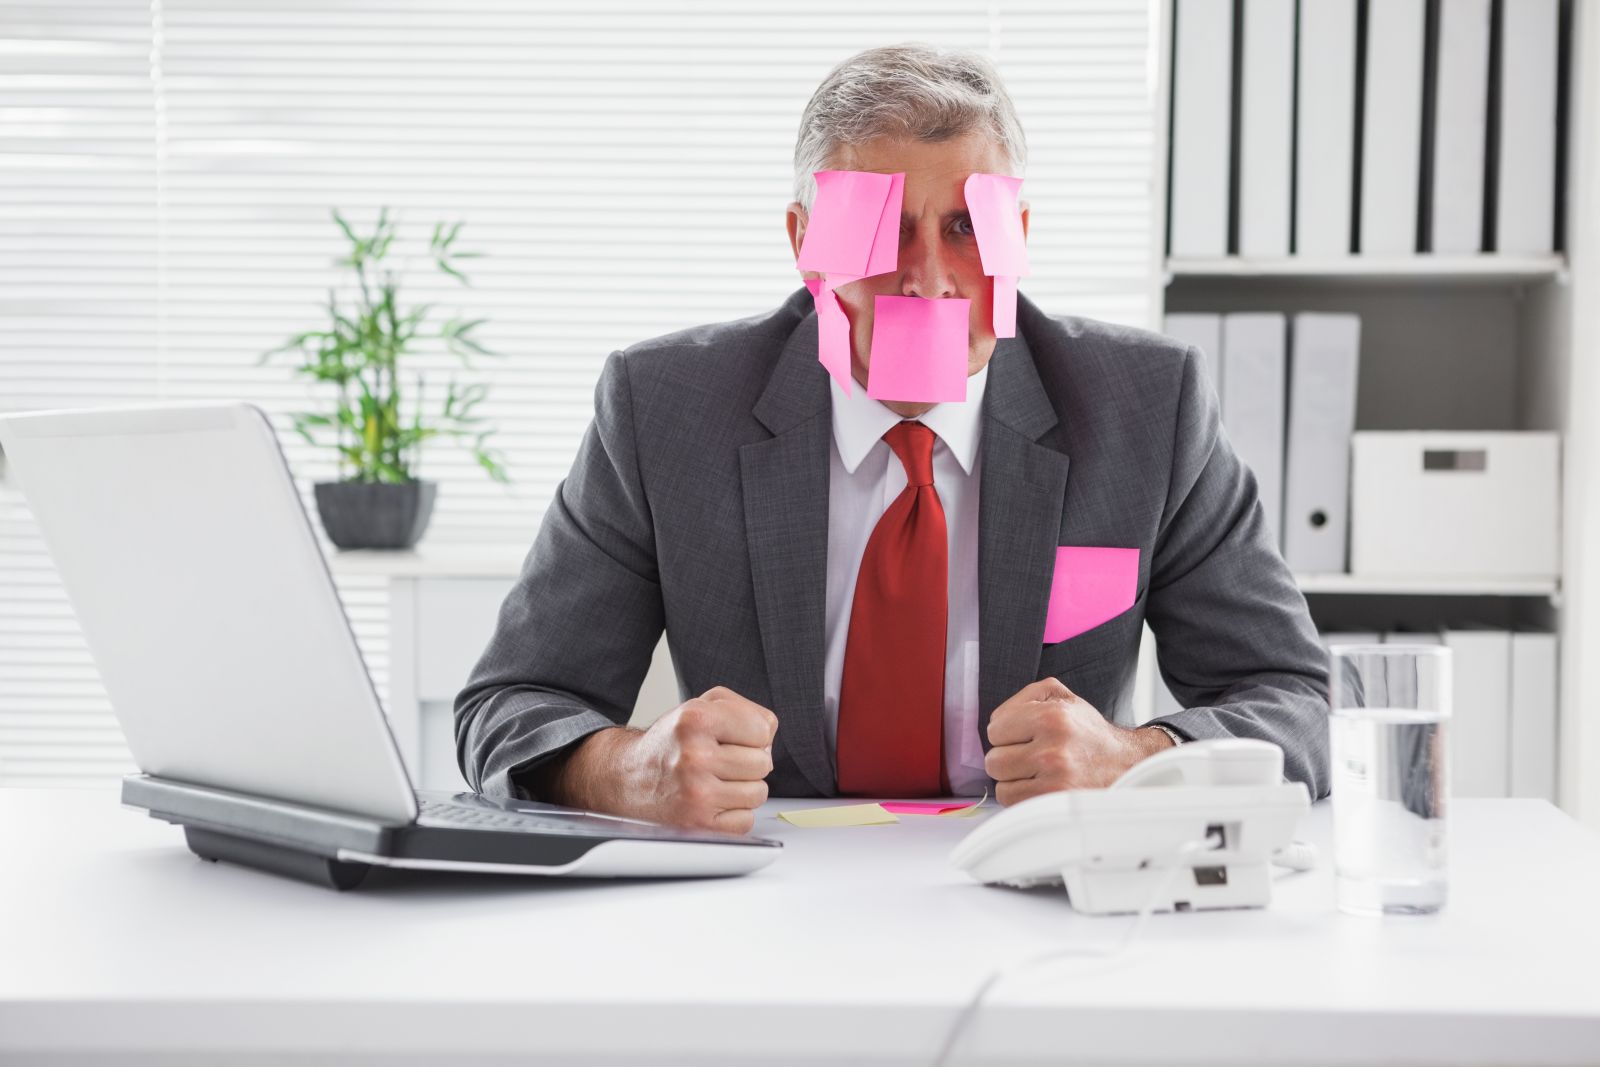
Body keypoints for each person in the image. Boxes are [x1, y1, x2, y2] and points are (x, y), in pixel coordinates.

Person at [454, 45, 1329, 834]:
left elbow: (1301, 701)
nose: (927, 278)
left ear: (1015, 240)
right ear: (804, 244)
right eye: (878, 230)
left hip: (1041, 893)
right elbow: (510, 704)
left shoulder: (1147, 407)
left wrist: (1135, 762)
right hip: (763, 899)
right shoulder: (665, 408)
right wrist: (627, 772)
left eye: (964, 228)